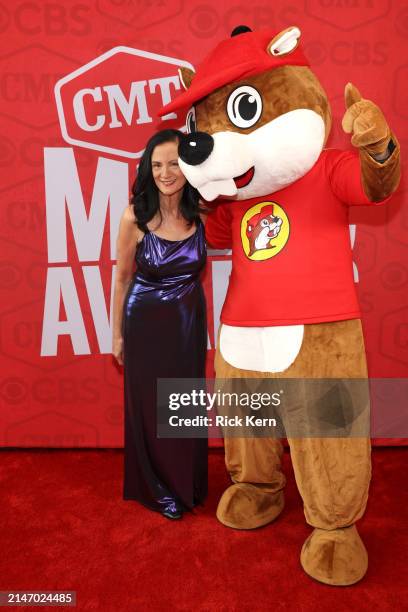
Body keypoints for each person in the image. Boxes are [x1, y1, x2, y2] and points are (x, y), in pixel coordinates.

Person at [112, 129, 208, 520]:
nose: (165, 173)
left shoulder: (202, 211)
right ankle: (155, 487)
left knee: (184, 401)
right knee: (150, 406)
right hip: (145, 320)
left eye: (173, 163)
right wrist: (117, 333)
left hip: (187, 321)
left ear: (186, 166)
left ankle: (187, 481)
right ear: (147, 169)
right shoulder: (134, 214)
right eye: (156, 165)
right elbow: (121, 277)